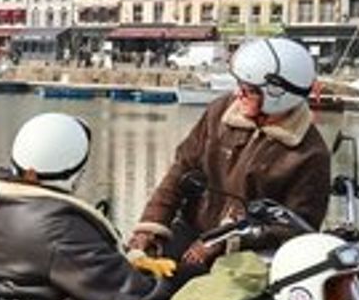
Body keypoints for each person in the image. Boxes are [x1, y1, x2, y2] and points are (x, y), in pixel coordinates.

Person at [0, 113, 174, 300]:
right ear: (72, 171)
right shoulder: (56, 226)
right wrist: (172, 287)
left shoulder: (12, 202)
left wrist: (139, 263)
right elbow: (122, 287)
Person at [127, 37, 331, 271]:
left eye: (248, 90)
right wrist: (151, 226)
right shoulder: (220, 112)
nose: (237, 94)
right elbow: (181, 169)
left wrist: (224, 243)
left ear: (278, 95)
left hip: (249, 255)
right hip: (192, 229)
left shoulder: (310, 154)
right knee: (132, 271)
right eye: (239, 85)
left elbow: (297, 227)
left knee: (194, 298)